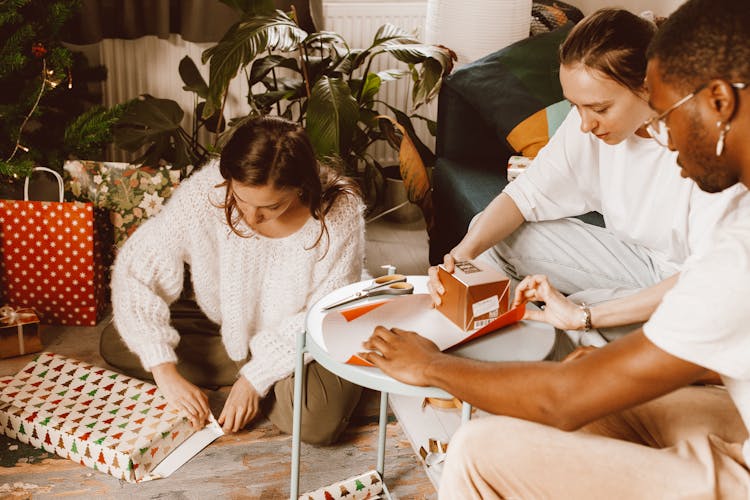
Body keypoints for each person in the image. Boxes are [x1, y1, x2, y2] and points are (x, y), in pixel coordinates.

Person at [360, 0, 750, 496]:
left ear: (718, 101)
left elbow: (562, 400)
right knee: (588, 398)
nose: (663, 136)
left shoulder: (736, 245)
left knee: (477, 452)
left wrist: (431, 365)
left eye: (667, 112)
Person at [429, 8, 748, 350]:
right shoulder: (588, 126)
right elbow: (525, 195)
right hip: (639, 260)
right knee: (489, 237)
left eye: (599, 109)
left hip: (694, 289)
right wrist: (460, 255)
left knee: (580, 314)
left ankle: (550, 358)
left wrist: (583, 313)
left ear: (648, 85)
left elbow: (709, 279)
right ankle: (491, 344)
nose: (585, 124)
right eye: (575, 106)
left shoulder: (702, 150)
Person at [102, 116, 366, 444]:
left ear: (301, 187)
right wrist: (165, 371)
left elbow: (324, 311)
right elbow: (137, 268)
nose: (251, 218)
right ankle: (262, 377)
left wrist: (255, 379)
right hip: (228, 324)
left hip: (303, 332)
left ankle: (256, 376)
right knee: (120, 338)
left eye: (270, 207)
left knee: (317, 423)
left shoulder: (340, 212)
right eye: (240, 200)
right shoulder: (206, 189)